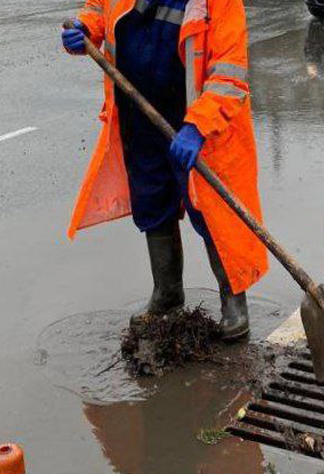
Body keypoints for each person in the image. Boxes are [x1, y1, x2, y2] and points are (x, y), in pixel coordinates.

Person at [62, 0, 267, 341]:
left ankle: (234, 303)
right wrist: (85, 29)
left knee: (214, 214)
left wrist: (198, 126)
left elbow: (229, 73)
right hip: (139, 113)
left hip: (198, 125)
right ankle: (168, 293)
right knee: (152, 202)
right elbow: (99, 9)